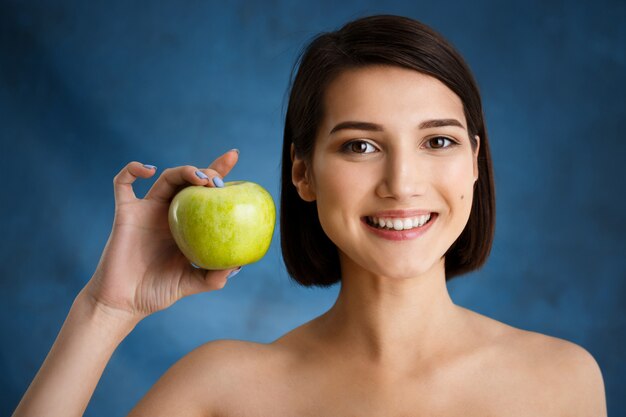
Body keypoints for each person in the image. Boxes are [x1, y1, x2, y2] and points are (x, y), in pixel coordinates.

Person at [12, 14, 606, 417]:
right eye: (360, 145)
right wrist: (105, 310)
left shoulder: (562, 380)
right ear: (302, 172)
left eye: (439, 141)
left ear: (476, 161)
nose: (402, 183)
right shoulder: (223, 389)